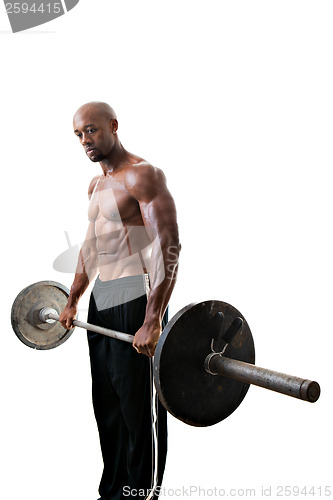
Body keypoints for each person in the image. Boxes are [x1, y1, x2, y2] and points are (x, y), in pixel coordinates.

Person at [59, 102, 181, 500]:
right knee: (107, 405)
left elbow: (169, 246)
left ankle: (140, 494)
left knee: (136, 407)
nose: (85, 140)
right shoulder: (95, 187)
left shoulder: (142, 175)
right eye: (79, 135)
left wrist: (153, 317)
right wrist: (74, 298)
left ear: (113, 126)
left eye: (91, 130)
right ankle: (112, 492)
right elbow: (91, 249)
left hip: (134, 292)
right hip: (102, 297)